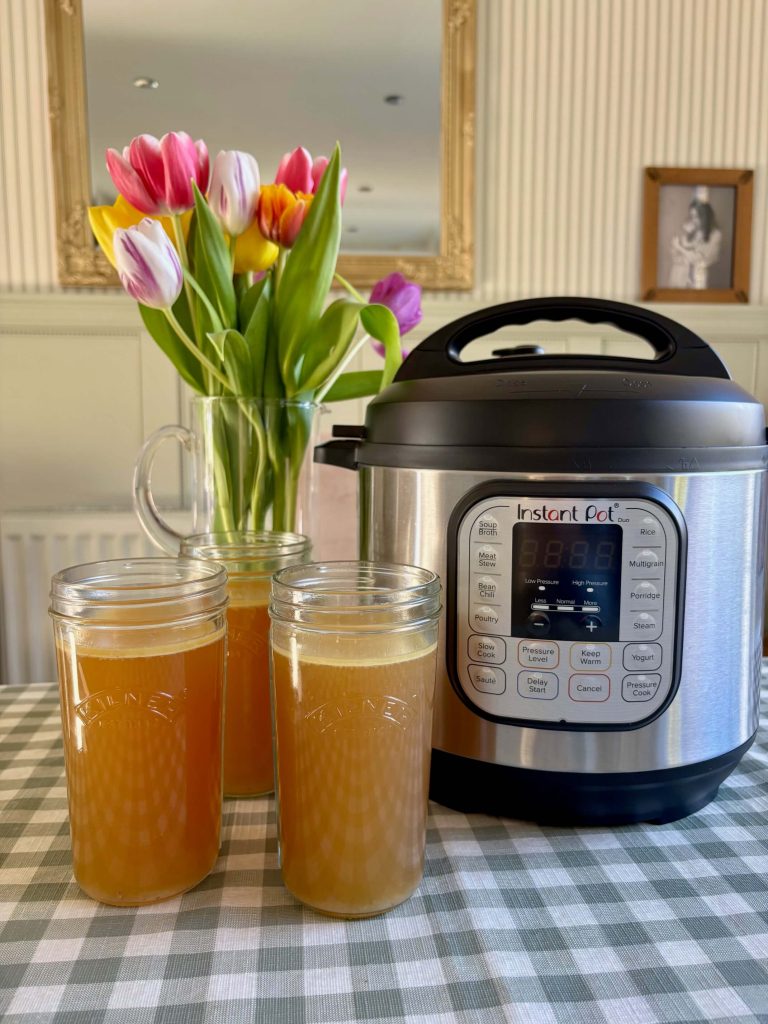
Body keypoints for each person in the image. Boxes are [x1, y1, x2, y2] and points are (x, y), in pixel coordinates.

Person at [668, 190, 722, 289]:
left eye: (697, 217)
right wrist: (684, 234)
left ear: (705, 217)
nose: (693, 220)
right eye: (692, 216)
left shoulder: (715, 235)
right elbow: (675, 256)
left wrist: (679, 247)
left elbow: (698, 259)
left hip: (700, 279)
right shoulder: (694, 231)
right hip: (682, 276)